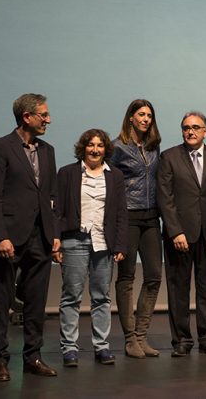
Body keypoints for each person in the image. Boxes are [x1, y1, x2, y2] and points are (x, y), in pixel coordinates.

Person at [0, 93, 60, 381]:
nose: (48, 119)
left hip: (40, 237)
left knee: (37, 301)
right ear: (27, 117)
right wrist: (0, 235)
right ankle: (0, 359)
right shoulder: (0, 148)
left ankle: (33, 357)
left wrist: (55, 235)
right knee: (2, 299)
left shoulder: (47, 150)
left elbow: (51, 196)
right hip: (9, 238)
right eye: (43, 114)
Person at [157, 111, 206, 357]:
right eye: (186, 127)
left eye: (196, 127)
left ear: (205, 131)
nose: (190, 131)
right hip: (178, 236)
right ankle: (181, 339)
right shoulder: (169, 157)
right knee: (178, 289)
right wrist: (175, 231)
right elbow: (164, 198)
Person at [55, 129, 127, 366]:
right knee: (71, 297)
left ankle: (102, 347)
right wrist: (56, 241)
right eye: (90, 145)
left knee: (101, 298)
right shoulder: (67, 173)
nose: (95, 150)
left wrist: (119, 244)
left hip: (104, 243)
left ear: (106, 149)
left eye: (100, 145)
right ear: (83, 147)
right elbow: (57, 211)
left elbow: (120, 214)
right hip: (74, 241)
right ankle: (69, 348)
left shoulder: (115, 176)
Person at [110, 99, 163, 359]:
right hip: (128, 217)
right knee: (127, 278)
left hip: (152, 217)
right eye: (141, 114)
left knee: (154, 276)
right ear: (130, 117)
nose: (145, 119)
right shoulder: (117, 147)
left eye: (149, 116)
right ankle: (130, 339)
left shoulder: (154, 147)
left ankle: (142, 336)